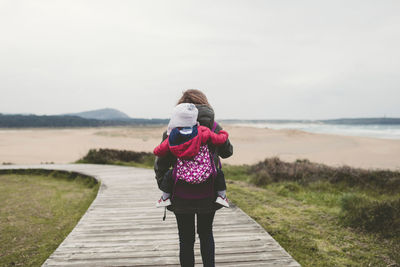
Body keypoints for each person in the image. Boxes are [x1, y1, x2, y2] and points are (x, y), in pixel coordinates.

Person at [154, 89, 233, 267]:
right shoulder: (212, 127)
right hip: (209, 191)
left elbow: (161, 163)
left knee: (186, 239)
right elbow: (228, 152)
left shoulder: (173, 130)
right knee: (206, 234)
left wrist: (166, 187)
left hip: (180, 193)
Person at [153, 103, 230, 208]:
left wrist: (157, 150)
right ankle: (222, 196)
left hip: (182, 175)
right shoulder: (203, 131)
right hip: (205, 174)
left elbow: (159, 151)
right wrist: (223, 134)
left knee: (168, 176)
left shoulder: (172, 135)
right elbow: (220, 141)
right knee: (219, 174)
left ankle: (165, 198)